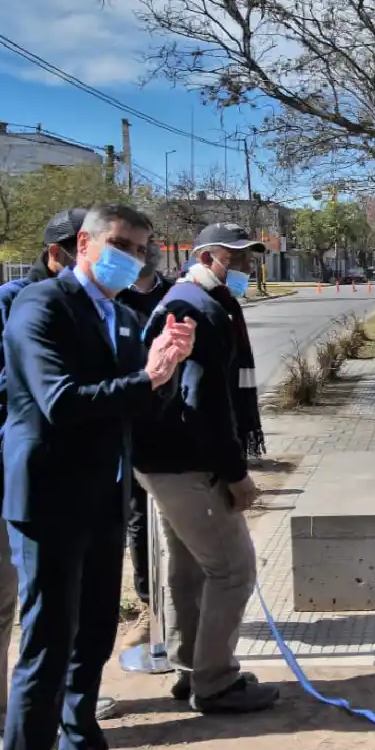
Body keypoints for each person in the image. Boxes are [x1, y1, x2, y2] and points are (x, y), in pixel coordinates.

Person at [1, 204, 195, 750]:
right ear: (83, 243)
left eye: (140, 249)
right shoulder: (42, 306)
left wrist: (169, 370)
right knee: (47, 645)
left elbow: (136, 406)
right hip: (52, 504)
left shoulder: (124, 315)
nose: (131, 257)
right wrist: (149, 378)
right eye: (120, 244)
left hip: (108, 498)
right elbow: (62, 402)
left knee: (92, 640)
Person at [0, 209, 119, 750]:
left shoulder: (90, 308)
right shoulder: (17, 305)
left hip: (61, 476)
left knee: (58, 609)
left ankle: (65, 716)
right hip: (4, 468)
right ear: (62, 252)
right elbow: (13, 386)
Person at [133, 223, 279, 714]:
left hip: (166, 458)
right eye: (235, 258)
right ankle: (215, 682)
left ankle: (192, 669)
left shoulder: (200, 302)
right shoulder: (195, 307)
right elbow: (205, 403)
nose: (245, 267)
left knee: (191, 569)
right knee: (234, 569)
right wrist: (235, 473)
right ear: (207, 256)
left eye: (250, 259)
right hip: (186, 462)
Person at [116, 241, 175, 649]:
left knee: (176, 521)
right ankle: (149, 607)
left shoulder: (176, 296)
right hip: (126, 423)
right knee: (138, 522)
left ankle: (183, 606)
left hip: (172, 423)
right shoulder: (110, 300)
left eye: (143, 246)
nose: (138, 255)